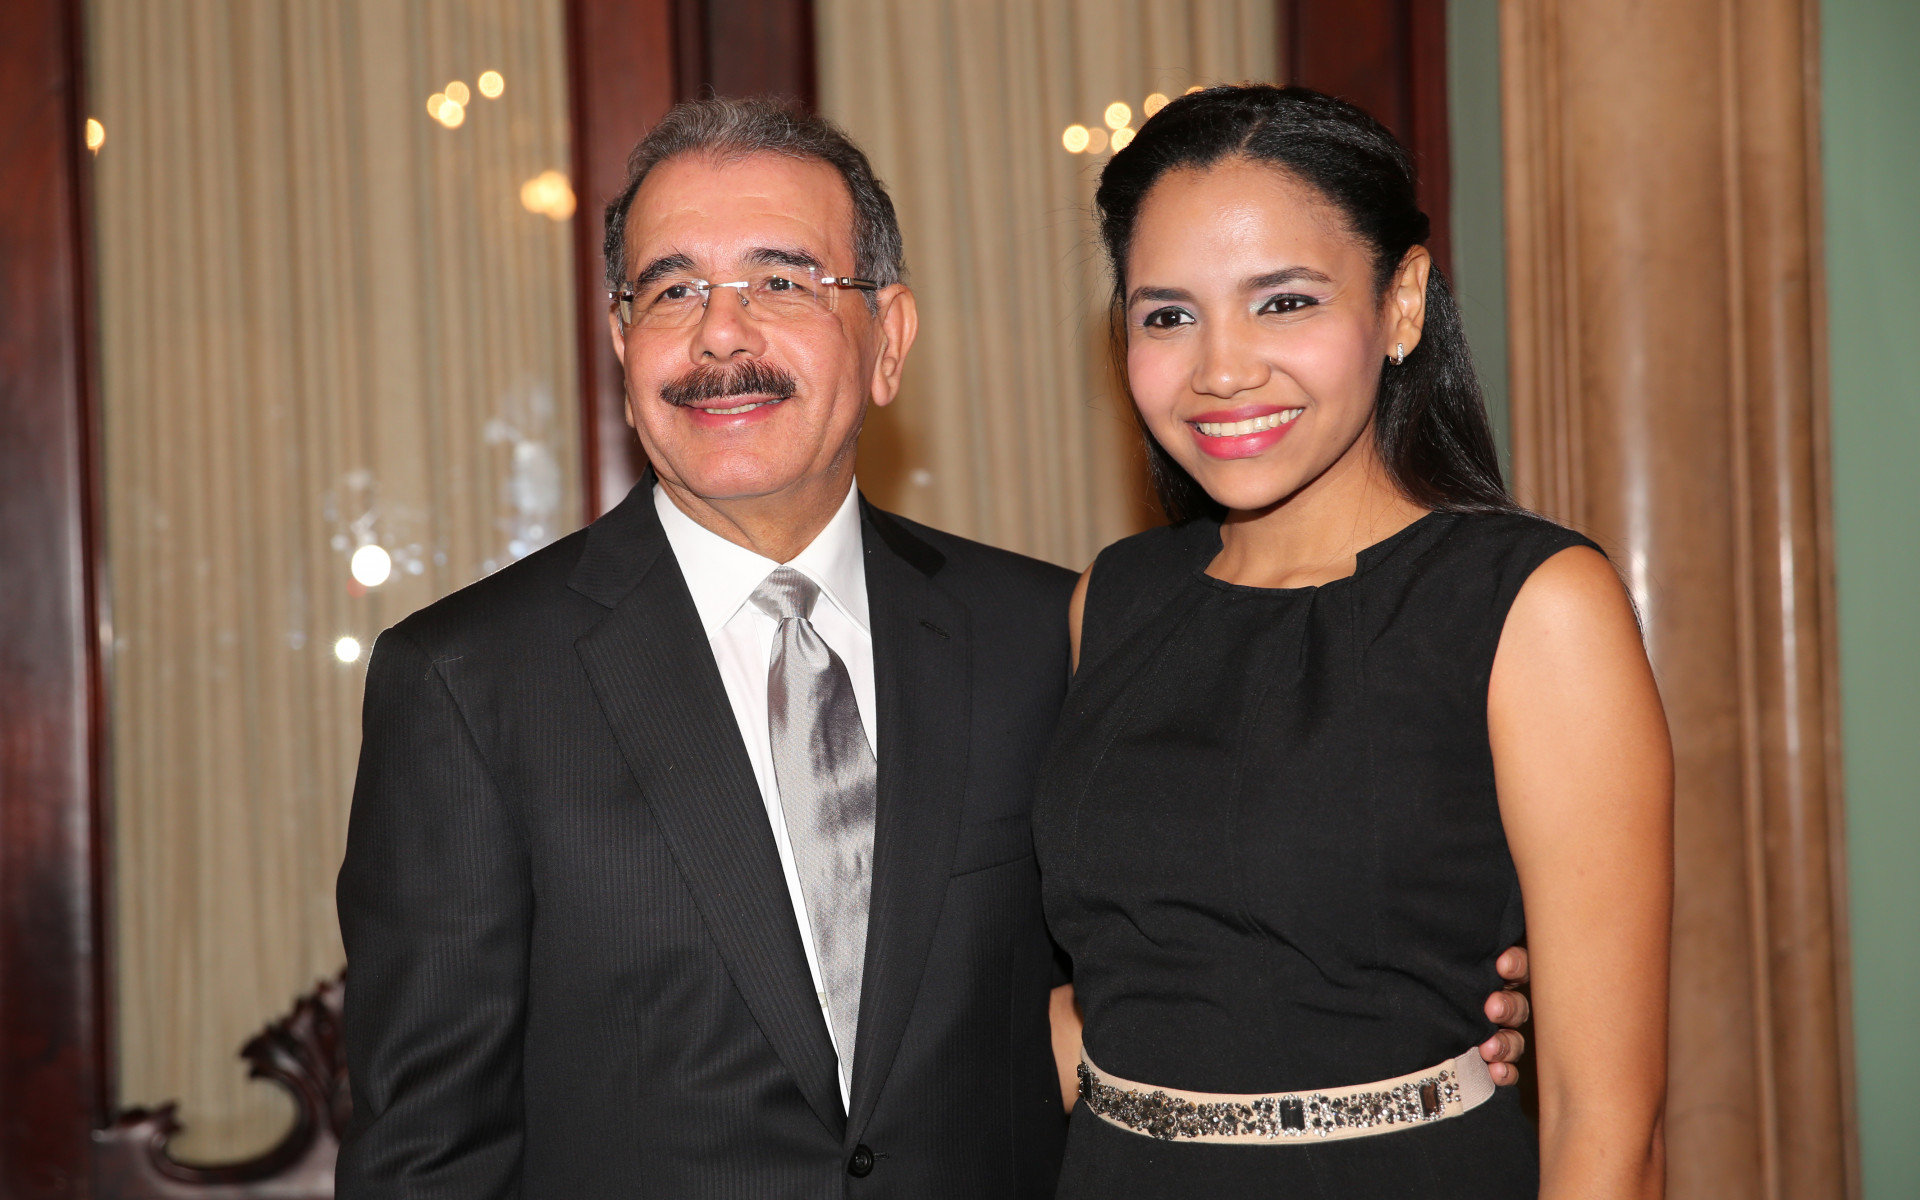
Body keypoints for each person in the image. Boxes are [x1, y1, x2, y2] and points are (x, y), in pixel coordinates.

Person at [335, 97, 1531, 1199]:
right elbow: (425, 1151)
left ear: (889, 338)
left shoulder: (1053, 637)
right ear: (620, 338)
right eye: (671, 289)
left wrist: (1422, 1031)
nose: (720, 334)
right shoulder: (468, 683)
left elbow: (1186, 950)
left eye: (782, 280)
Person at [1034, 85, 1673, 1199]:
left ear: (1403, 301)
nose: (1221, 368)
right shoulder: (1114, 600)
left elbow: (1605, 1125)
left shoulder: (1532, 605)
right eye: (1167, 316)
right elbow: (1116, 985)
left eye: (1284, 302)